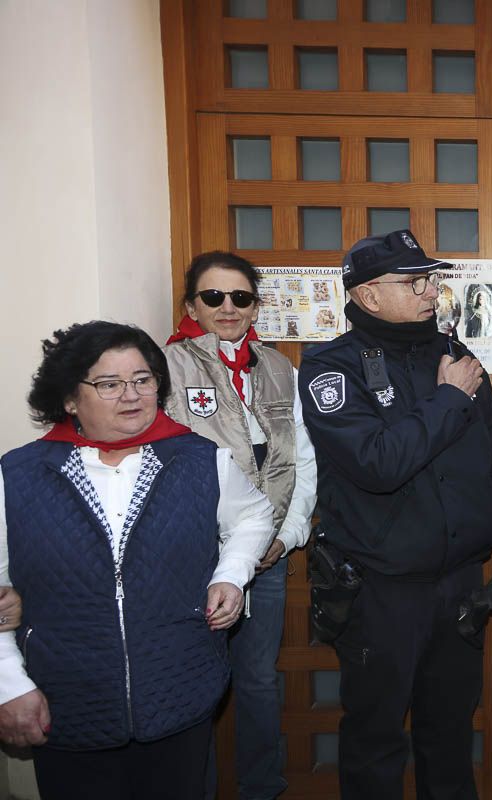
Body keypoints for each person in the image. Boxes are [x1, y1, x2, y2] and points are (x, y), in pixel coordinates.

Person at [299, 229, 492, 800]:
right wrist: (448, 400)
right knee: (376, 743)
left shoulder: (457, 359)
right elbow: (378, 463)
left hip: (459, 587)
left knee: (450, 736)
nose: (432, 291)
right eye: (415, 282)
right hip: (382, 593)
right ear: (369, 295)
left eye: (432, 279)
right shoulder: (332, 369)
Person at [0, 321, 274, 800]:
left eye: (143, 380)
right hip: (66, 703)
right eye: (109, 384)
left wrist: (231, 575)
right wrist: (7, 685)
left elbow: (254, 515)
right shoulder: (18, 475)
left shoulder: (199, 458)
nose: (132, 395)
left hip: (179, 695)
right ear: (69, 398)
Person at [163, 251, 317, 800]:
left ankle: (261, 789)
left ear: (255, 307)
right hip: (193, 561)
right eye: (213, 297)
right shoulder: (164, 368)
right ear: (191, 306)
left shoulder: (278, 368)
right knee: (191, 686)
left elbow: (301, 457)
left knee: (256, 682)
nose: (228, 307)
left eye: (241, 297)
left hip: (267, 558)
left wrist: (286, 534)